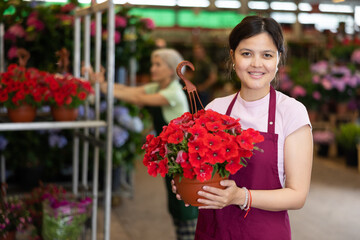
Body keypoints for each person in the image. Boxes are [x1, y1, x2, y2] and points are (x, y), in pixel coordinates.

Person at [172, 15, 313, 239]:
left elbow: (297, 195)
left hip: (263, 233)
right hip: (214, 232)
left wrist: (241, 197)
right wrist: (187, 182)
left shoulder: (291, 112)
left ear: (278, 59)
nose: (256, 64)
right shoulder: (215, 108)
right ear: (233, 56)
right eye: (246, 53)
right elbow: (200, 169)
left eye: (267, 55)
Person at [89, 48, 199, 240]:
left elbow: (138, 98)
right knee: (176, 204)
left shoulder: (173, 92)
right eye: (152, 63)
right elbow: (129, 90)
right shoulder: (158, 87)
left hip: (184, 160)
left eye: (158, 64)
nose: (152, 68)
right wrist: (102, 83)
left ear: (171, 69)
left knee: (185, 207)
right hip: (172, 157)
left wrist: (103, 86)